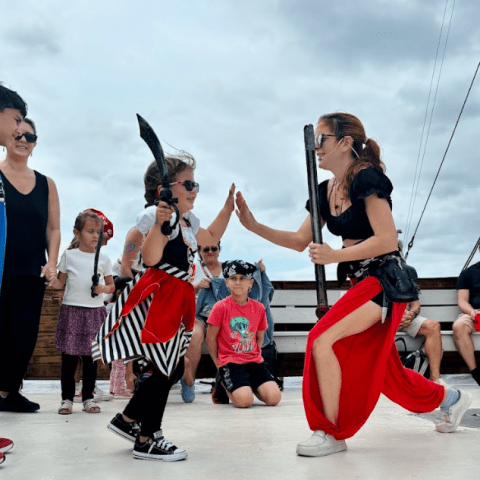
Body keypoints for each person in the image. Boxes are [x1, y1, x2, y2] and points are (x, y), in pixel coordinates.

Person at [236, 112, 472, 457]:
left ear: (345, 142)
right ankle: (452, 399)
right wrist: (254, 225)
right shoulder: (324, 190)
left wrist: (333, 256)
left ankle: (331, 432)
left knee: (322, 339)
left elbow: (388, 240)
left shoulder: (366, 178)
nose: (316, 147)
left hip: (385, 283)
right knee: (387, 372)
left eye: (322, 140)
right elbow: (301, 240)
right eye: (314, 141)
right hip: (361, 283)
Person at [93, 152, 235, 461]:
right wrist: (159, 224)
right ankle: (147, 438)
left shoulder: (187, 221)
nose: (195, 189)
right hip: (163, 294)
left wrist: (229, 207)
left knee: (168, 368)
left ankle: (129, 418)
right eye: (189, 183)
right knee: (164, 366)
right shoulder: (159, 217)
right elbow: (152, 255)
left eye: (196, 183)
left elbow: (210, 237)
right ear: (165, 191)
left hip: (180, 293)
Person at [0, 114, 60, 413]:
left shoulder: (47, 184)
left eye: (30, 137)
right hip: (0, 272)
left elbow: (53, 228)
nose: (23, 140)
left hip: (31, 272)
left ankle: (9, 392)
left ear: (35, 145)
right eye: (19, 134)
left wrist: (52, 263)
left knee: (23, 336)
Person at [51, 210, 114, 414]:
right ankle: (66, 399)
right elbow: (61, 281)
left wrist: (102, 289)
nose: (96, 235)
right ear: (77, 233)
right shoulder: (69, 255)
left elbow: (111, 287)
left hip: (95, 312)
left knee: (90, 360)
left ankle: (88, 397)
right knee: (68, 359)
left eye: (98, 232)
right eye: (90, 231)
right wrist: (51, 279)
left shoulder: (104, 259)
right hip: (72, 310)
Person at [205, 260, 281, 408]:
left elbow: (259, 337)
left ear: (250, 282)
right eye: (233, 278)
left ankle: (248, 383)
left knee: (274, 398)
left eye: (242, 278)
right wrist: (219, 365)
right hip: (230, 361)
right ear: (226, 282)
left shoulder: (258, 308)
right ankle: (223, 382)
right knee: (245, 402)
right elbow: (210, 338)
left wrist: (254, 354)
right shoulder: (220, 307)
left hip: (253, 361)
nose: (238, 283)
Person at [452, 246, 480, 386]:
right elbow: (462, 300)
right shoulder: (468, 273)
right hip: (475, 313)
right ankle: (476, 372)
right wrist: (472, 312)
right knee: (459, 326)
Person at [398, 300, 444, 383]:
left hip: (404, 316)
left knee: (433, 326)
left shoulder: (406, 286)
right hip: (380, 317)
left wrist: (411, 314)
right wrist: (393, 317)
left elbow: (415, 304)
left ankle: (435, 379)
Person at [107, 276, 135, 398]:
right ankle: (119, 389)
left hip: (112, 340)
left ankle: (113, 388)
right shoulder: (121, 307)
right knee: (121, 365)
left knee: (116, 365)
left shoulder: (109, 305)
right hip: (120, 340)